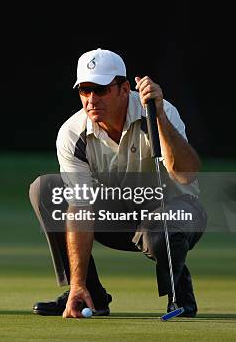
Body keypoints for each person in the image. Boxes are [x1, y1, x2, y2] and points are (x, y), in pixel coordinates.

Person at [29, 48, 207, 318]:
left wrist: (158, 117)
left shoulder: (159, 111)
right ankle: (89, 295)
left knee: (159, 228)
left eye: (100, 90)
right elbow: (80, 207)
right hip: (120, 216)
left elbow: (187, 175)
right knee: (45, 190)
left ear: (124, 88)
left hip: (179, 212)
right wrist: (76, 284)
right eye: (84, 90)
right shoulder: (71, 133)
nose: (91, 100)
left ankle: (180, 294)